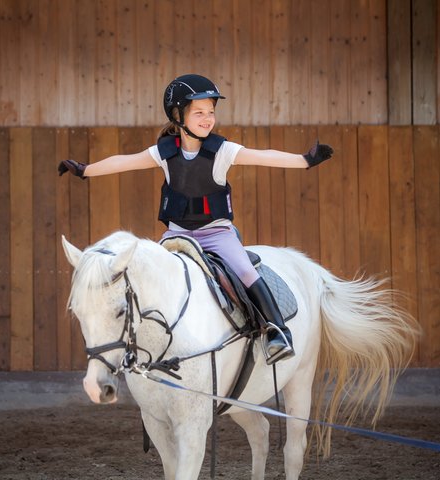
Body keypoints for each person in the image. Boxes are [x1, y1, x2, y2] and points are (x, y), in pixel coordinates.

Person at [59, 74, 333, 365]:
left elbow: (264, 156)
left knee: (245, 270)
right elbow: (122, 162)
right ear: (178, 116)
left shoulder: (222, 151)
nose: (208, 119)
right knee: (150, 276)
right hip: (177, 236)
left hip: (217, 234)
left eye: (211, 112)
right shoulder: (163, 154)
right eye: (199, 113)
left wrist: (304, 160)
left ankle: (277, 332)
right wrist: (85, 170)